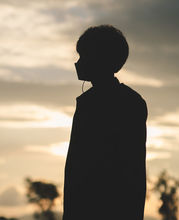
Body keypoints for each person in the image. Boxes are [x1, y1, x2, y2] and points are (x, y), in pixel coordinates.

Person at [62, 24, 148, 220]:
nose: (79, 63)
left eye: (84, 56)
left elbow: (131, 169)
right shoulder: (90, 102)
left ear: (99, 59)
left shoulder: (127, 104)